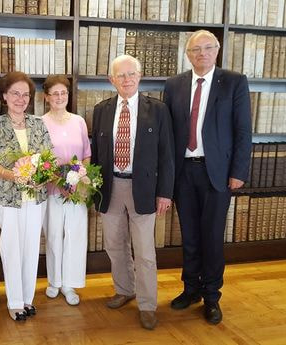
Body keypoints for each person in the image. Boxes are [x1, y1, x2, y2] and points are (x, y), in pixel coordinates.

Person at [163, 30, 252, 325]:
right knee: (189, 236)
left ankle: (212, 296)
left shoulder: (234, 82)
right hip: (183, 172)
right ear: (187, 55)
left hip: (218, 174)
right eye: (195, 49)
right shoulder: (173, 85)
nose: (201, 53)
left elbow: (243, 131)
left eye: (207, 48)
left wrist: (238, 172)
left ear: (216, 51)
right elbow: (168, 134)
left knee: (212, 237)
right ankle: (191, 289)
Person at [91, 55, 174, 330]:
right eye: (120, 75)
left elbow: (167, 156)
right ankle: (124, 289)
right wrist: (93, 189)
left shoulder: (158, 110)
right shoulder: (101, 109)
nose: (126, 79)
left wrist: (165, 193)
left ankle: (148, 304)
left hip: (145, 189)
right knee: (114, 245)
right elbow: (96, 155)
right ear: (111, 80)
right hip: (110, 187)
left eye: (131, 74)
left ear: (140, 76)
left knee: (145, 252)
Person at [0, 71, 53, 321]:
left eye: (25, 94)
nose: (21, 99)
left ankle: (27, 299)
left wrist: (41, 172)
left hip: (36, 197)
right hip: (8, 197)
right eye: (15, 93)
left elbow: (48, 160)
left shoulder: (38, 123)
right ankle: (14, 302)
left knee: (32, 248)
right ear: (4, 96)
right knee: (12, 248)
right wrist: (15, 176)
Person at [41, 75, 91, 306]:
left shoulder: (79, 121)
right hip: (52, 189)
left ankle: (70, 283)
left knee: (75, 235)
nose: (60, 97)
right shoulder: (39, 122)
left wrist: (79, 181)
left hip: (77, 192)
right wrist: (59, 182)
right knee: (53, 235)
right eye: (55, 93)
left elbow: (87, 154)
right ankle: (54, 281)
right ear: (46, 97)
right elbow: (40, 159)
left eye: (64, 93)